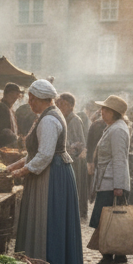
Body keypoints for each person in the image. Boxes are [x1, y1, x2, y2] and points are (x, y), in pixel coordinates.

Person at [8, 79, 83, 264]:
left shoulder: (49, 120)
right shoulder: (45, 116)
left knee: (48, 221)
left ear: (41, 99)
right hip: (49, 171)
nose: (29, 103)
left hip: (52, 177)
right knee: (43, 220)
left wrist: (21, 172)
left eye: (32, 99)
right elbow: (35, 152)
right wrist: (12, 167)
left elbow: (44, 156)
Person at [88, 95, 131, 264]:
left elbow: (119, 158)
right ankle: (119, 254)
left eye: (105, 109)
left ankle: (108, 257)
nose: (101, 111)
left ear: (113, 113)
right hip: (108, 180)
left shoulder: (118, 130)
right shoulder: (113, 127)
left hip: (112, 183)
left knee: (105, 220)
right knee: (112, 219)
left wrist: (118, 186)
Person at [57, 92, 88, 220]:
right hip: (66, 158)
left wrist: (69, 149)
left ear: (70, 106)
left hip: (73, 160)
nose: (60, 107)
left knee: (74, 187)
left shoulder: (75, 120)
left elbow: (81, 142)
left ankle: (75, 211)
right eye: (58, 104)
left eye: (63, 104)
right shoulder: (61, 118)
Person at [0, 83, 21, 150]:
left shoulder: (10, 109)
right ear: (7, 94)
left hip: (10, 147)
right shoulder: (0, 108)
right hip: (2, 147)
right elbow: (4, 131)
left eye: (16, 97)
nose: (14, 100)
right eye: (13, 96)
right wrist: (17, 139)